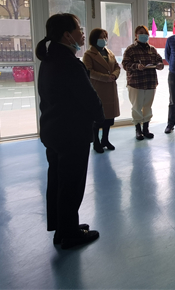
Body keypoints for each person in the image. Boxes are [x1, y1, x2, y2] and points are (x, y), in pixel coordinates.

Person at [36, 13, 103, 249]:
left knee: (58, 181)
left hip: (53, 130)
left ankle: (62, 228)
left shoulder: (49, 59)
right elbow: (89, 97)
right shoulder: (69, 63)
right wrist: (99, 117)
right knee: (71, 184)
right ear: (67, 35)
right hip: (71, 133)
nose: (82, 33)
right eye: (79, 29)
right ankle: (71, 234)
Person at [121, 25, 164, 140]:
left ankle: (146, 129)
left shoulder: (152, 49)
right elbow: (125, 64)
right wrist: (136, 66)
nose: (144, 35)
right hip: (136, 83)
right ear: (136, 35)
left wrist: (159, 65)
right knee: (137, 107)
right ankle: (138, 130)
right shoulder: (130, 49)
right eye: (141, 33)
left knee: (148, 106)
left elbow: (159, 60)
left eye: (145, 33)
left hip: (150, 82)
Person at [83, 28, 121, 153]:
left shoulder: (109, 52)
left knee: (109, 118)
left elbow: (117, 67)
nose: (104, 39)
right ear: (94, 39)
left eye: (105, 37)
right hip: (98, 88)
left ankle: (105, 140)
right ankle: (96, 142)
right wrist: (105, 77)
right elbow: (89, 71)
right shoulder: (89, 54)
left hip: (111, 88)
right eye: (101, 37)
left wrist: (114, 75)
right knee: (97, 119)